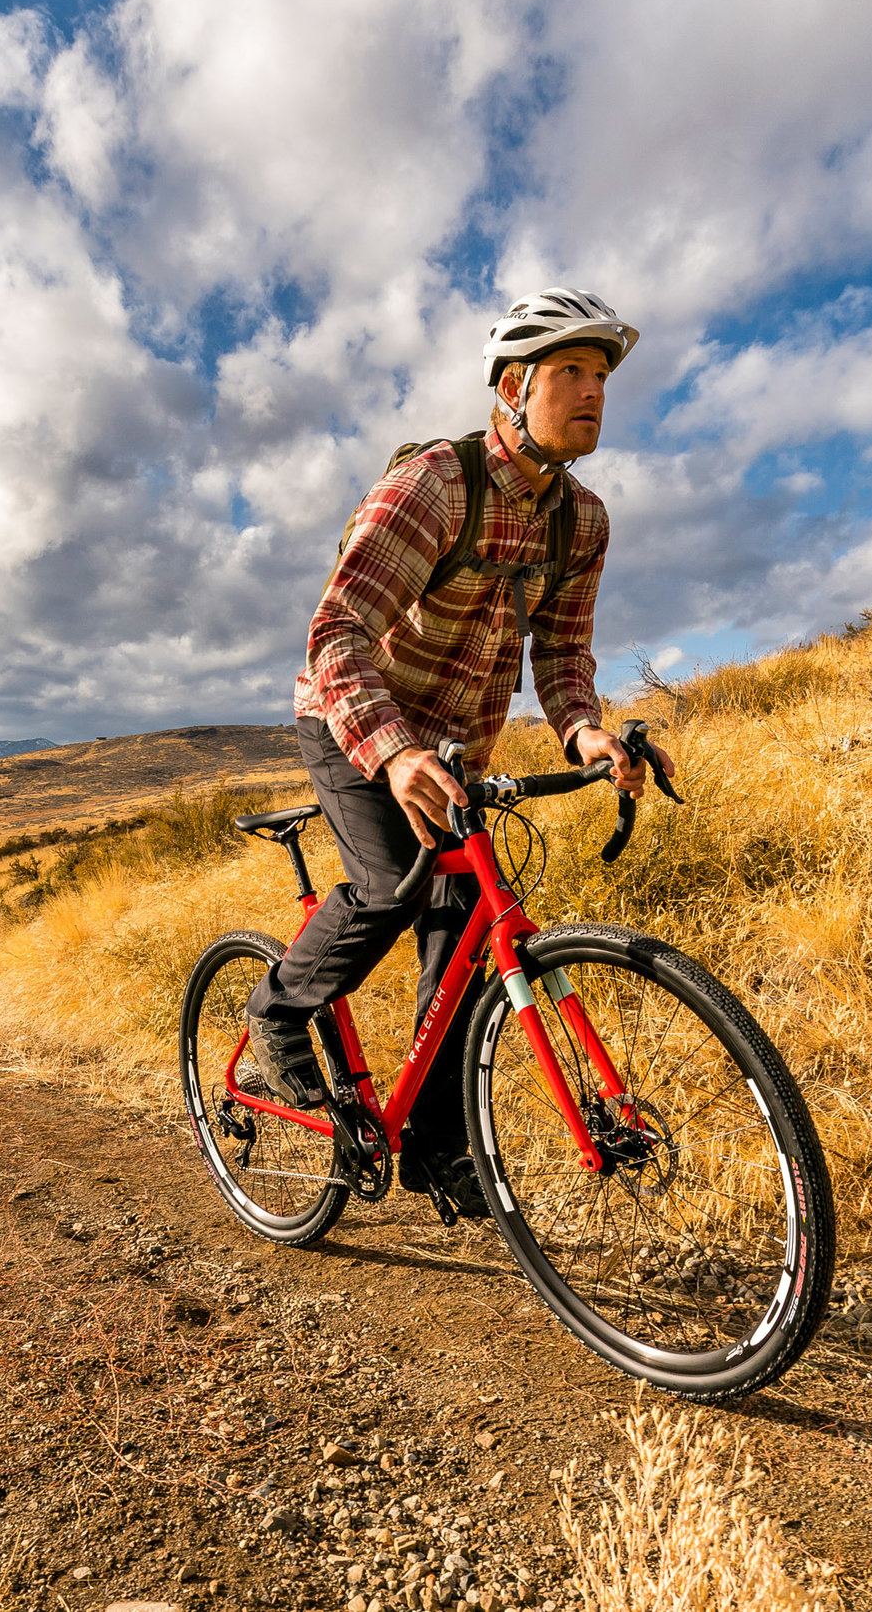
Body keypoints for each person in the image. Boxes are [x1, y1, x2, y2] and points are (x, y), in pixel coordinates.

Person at [243, 288, 676, 1218]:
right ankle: (278, 1008)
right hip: (352, 719)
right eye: (572, 372)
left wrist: (584, 729)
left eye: (601, 376)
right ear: (513, 387)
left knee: (463, 927)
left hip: (457, 746)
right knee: (396, 879)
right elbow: (338, 629)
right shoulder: (437, 484)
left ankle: (437, 1148)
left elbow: (561, 653)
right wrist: (392, 754)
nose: (593, 391)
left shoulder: (582, 522)